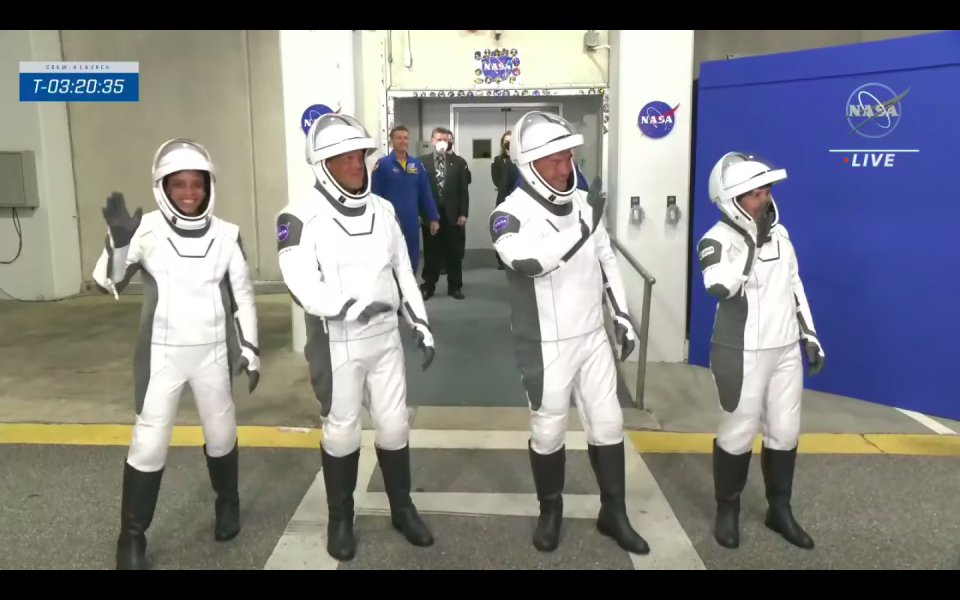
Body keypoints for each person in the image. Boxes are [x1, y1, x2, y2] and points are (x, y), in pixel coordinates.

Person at [92, 139, 260, 570]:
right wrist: (118, 243)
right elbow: (107, 283)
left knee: (221, 436)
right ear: (162, 187)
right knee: (148, 444)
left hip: (213, 357)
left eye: (196, 184)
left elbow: (242, 296)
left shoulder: (228, 235)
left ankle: (228, 504)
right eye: (178, 185)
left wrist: (251, 349)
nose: (189, 193)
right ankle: (131, 540)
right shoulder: (143, 230)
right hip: (161, 356)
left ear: (208, 186)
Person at [276, 113, 437, 562]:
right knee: (343, 430)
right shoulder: (298, 216)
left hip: (386, 338)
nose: (356, 166)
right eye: (343, 158)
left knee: (394, 424)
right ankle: (340, 518)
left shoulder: (383, 211)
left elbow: (404, 271)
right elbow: (300, 281)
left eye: (360, 156)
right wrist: (347, 307)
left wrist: (420, 323)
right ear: (322, 164)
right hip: (338, 339)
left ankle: (402, 508)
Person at [489, 111, 649, 556]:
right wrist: (582, 225)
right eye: (556, 161)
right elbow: (529, 263)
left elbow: (606, 259)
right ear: (530, 165)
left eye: (569, 158)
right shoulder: (508, 215)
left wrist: (621, 315)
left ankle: (613, 512)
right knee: (548, 431)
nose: (566, 169)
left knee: (610, 424)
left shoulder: (583, 202)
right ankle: (550, 511)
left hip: (591, 336)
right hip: (544, 344)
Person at [697, 151, 825, 551]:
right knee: (737, 432)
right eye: (754, 193)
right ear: (732, 201)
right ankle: (727, 509)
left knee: (785, 433)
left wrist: (810, 334)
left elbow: (794, 286)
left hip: (785, 349)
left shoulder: (782, 235)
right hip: (742, 350)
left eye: (766, 189)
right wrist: (750, 244)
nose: (764, 198)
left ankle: (779, 509)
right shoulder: (716, 240)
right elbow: (719, 285)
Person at [371, 125, 440, 271]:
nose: (403, 141)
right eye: (398, 138)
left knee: (411, 257)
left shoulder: (416, 165)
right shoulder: (382, 165)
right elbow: (375, 195)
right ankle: (394, 292)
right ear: (391, 142)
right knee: (390, 258)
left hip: (411, 221)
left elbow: (425, 193)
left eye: (405, 138)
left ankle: (411, 289)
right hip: (389, 222)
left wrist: (433, 218)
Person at [419, 127, 470, 300]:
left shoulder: (458, 162)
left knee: (454, 253)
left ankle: (455, 286)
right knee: (431, 252)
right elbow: (419, 190)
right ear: (432, 141)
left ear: (449, 142)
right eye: (439, 139)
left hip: (453, 214)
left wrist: (464, 213)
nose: (442, 142)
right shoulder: (421, 162)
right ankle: (428, 286)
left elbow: (464, 190)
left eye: (445, 140)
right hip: (430, 214)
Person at [491, 131, 517, 270]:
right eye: (506, 141)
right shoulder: (498, 160)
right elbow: (497, 180)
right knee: (502, 228)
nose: (509, 144)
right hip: (503, 198)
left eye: (511, 141)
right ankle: (501, 258)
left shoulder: (521, 159)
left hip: (519, 198)